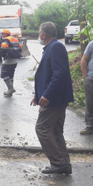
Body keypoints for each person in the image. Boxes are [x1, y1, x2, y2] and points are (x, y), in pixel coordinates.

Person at [31, 21, 74, 175]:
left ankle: (58, 163)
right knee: (55, 130)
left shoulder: (55, 47)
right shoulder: (51, 47)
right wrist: (38, 95)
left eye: (39, 32)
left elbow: (59, 74)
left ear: (44, 34)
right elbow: (48, 75)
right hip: (55, 97)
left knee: (42, 128)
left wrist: (47, 95)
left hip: (54, 99)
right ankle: (63, 163)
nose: (39, 35)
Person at [0, 29, 22, 96]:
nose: (2, 35)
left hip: (8, 60)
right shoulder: (16, 39)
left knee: (3, 74)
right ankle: (10, 92)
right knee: (10, 75)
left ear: (6, 34)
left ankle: (11, 88)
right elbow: (20, 48)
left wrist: (2, 56)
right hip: (15, 60)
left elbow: (3, 49)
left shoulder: (6, 40)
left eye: (3, 34)